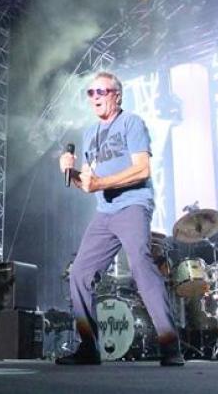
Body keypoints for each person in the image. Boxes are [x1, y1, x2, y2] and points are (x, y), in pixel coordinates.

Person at [56, 72, 184, 366]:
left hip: (133, 204)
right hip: (105, 211)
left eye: (101, 91)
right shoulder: (90, 134)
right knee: (79, 273)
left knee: (140, 264)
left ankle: (170, 344)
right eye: (91, 93)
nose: (95, 97)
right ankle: (89, 347)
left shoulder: (131, 123)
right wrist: (71, 172)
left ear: (117, 95)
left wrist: (100, 183)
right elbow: (89, 183)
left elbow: (142, 169)